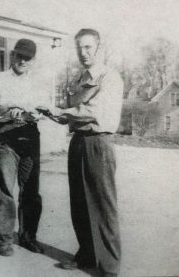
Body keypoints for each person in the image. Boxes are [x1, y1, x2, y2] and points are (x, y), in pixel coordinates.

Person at [41, 29, 123, 277]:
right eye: (80, 48)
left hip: (98, 142)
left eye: (88, 47)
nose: (83, 53)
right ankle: (87, 254)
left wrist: (58, 111)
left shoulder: (110, 77)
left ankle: (110, 267)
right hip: (78, 141)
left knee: (103, 205)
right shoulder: (79, 79)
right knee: (79, 202)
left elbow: (92, 113)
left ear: (98, 48)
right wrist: (49, 113)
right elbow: (70, 113)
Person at [0, 39, 45, 257]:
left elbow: (43, 108)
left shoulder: (38, 81)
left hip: (30, 135)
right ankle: (5, 239)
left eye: (28, 57)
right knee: (5, 189)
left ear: (33, 60)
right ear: (13, 56)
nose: (23, 61)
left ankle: (28, 237)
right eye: (20, 56)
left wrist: (33, 112)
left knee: (30, 190)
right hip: (6, 135)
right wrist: (9, 110)